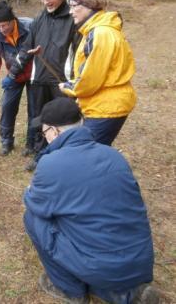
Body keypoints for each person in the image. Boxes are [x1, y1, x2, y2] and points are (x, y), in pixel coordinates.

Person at [23, 98, 157, 304]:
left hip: (100, 264)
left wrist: (30, 191)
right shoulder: (113, 156)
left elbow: (35, 204)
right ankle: (126, 293)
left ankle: (70, 289)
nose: (45, 137)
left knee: (33, 218)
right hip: (140, 260)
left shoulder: (51, 164)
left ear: (55, 132)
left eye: (44, 132)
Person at [59, 0, 136, 146]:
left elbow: (89, 81)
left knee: (84, 154)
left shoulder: (100, 34)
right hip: (103, 104)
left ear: (90, 4)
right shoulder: (98, 30)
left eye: (74, 5)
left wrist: (68, 87)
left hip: (106, 108)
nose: (70, 11)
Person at [14, 0, 75, 170]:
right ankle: (40, 153)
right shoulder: (39, 19)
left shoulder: (72, 18)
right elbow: (27, 46)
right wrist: (13, 72)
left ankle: (62, 154)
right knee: (40, 117)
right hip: (39, 78)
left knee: (61, 120)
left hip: (61, 80)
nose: (46, 2)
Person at [0, 0, 33, 156]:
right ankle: (6, 142)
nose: (1, 29)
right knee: (7, 107)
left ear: (13, 21)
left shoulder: (30, 26)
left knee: (35, 109)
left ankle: (31, 143)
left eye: (4, 25)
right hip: (14, 76)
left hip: (34, 75)